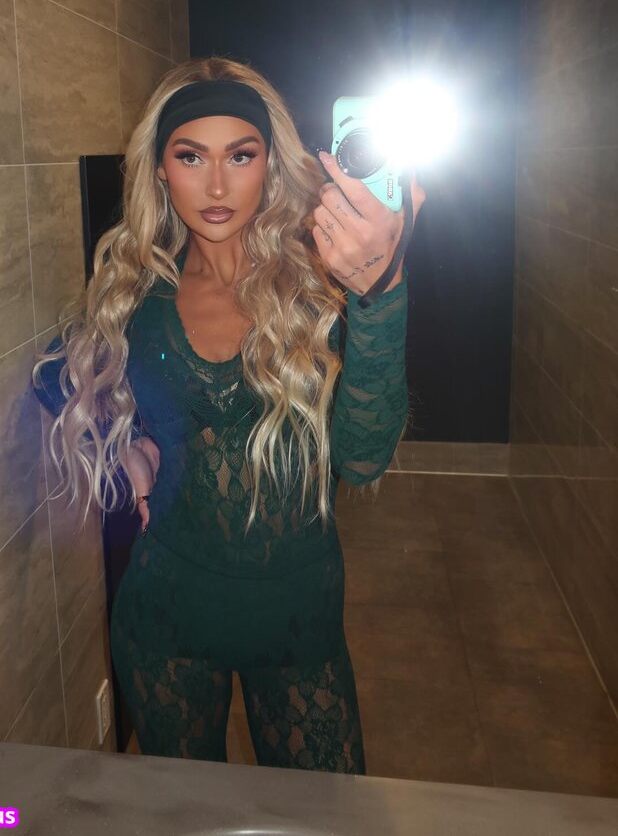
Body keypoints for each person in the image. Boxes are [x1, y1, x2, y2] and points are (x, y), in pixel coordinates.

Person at [32, 56, 425, 772]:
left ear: (270, 165)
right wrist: (127, 447)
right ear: (160, 169)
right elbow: (54, 377)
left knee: (325, 815)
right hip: (165, 619)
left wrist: (383, 291)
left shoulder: (324, 286)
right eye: (191, 157)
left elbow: (363, 458)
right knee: (183, 815)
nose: (216, 186)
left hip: (298, 623)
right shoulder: (138, 291)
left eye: (240, 156)